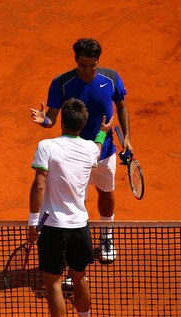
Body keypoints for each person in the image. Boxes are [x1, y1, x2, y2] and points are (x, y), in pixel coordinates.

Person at [30, 37, 133, 263]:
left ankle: (107, 235)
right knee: (77, 200)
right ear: (76, 60)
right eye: (82, 65)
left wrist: (126, 138)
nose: (87, 70)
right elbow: (52, 118)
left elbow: (122, 106)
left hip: (104, 152)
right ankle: (76, 245)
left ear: (98, 61)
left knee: (106, 193)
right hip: (73, 158)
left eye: (92, 65)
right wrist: (44, 121)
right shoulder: (62, 83)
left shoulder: (111, 78)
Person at [29, 98, 113, 317]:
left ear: (62, 121)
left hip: (53, 228)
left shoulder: (46, 146)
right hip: (81, 227)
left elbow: (39, 184)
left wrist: (33, 222)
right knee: (80, 278)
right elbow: (98, 146)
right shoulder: (90, 150)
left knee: (53, 283)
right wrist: (102, 131)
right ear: (83, 124)